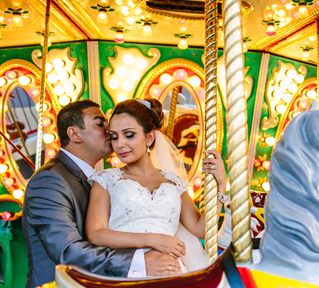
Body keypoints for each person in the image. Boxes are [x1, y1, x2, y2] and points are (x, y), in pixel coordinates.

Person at [23, 100, 179, 288]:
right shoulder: (50, 181)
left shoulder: (101, 180)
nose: (109, 130)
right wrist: (139, 262)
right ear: (74, 134)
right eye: (100, 123)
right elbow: (68, 251)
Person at [85, 98, 226, 274]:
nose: (120, 144)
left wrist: (220, 186)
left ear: (149, 137)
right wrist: (153, 240)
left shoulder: (173, 182)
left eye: (129, 135)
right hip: (129, 270)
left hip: (172, 270)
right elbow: (96, 233)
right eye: (114, 137)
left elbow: (201, 228)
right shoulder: (106, 180)